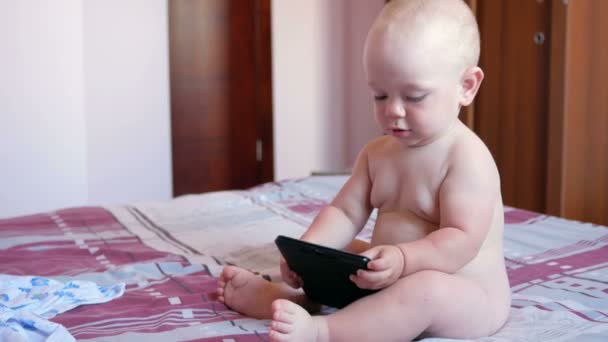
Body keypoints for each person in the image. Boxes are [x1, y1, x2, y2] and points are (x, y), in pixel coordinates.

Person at [217, 0, 511, 340]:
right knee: (338, 251)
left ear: (466, 86)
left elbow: (461, 241)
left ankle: (324, 330)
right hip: (387, 277)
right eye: (380, 95)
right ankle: (293, 296)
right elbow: (344, 212)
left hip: (464, 295)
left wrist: (402, 259)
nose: (394, 110)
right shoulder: (377, 154)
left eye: (415, 96)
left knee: (425, 290)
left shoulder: (466, 158)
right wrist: (306, 252)